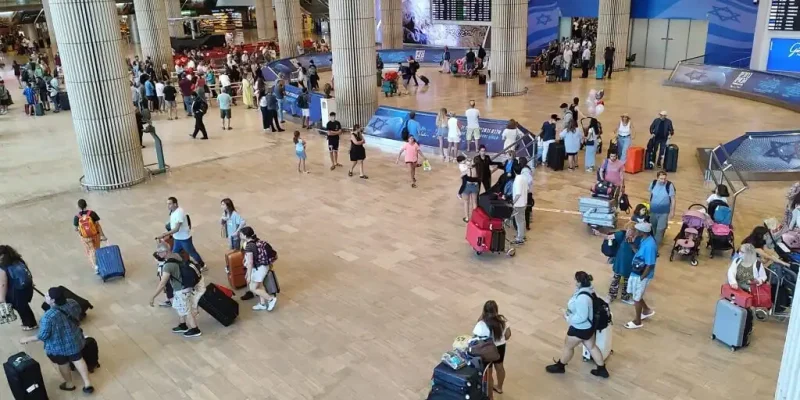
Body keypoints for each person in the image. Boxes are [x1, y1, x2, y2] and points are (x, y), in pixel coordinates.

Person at [19, 287, 95, 393]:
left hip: (57, 347)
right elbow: (78, 314)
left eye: (47, 295)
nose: (45, 295)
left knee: (63, 364)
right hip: (75, 339)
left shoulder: (48, 317)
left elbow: (42, 336)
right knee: (78, 359)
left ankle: (69, 384)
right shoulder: (72, 302)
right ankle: (87, 383)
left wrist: (27, 339)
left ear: (53, 300)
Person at [545, 271, 609, 378]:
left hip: (580, 328)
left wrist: (568, 317)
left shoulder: (582, 298)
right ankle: (602, 370)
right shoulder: (590, 290)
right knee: (592, 346)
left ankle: (560, 366)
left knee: (568, 346)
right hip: (589, 326)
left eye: (575, 280)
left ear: (579, 282)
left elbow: (581, 316)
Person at [149, 242, 202, 337]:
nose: (158, 255)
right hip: (185, 286)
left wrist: (153, 297)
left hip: (181, 289)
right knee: (180, 306)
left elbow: (162, 284)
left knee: (186, 310)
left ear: (164, 252)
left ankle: (195, 329)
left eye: (159, 253)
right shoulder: (176, 255)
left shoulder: (167, 265)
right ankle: (182, 325)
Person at [155, 197, 206, 271]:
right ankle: (177, 267)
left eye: (170, 204)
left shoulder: (179, 212)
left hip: (184, 239)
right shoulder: (173, 211)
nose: (168, 206)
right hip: (177, 238)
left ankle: (203, 265)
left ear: (175, 204)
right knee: (175, 253)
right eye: (167, 204)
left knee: (192, 253)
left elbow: (177, 229)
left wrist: (164, 234)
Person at [473, 300, 511, 396]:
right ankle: (499, 387)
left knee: (489, 373)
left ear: (484, 311)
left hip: (487, 349)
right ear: (496, 310)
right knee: (500, 367)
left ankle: (490, 395)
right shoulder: (503, 321)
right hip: (500, 347)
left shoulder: (481, 324)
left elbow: (476, 336)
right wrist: (501, 340)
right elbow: (508, 335)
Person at [624, 222, 657, 329]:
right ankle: (646, 310)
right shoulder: (645, 240)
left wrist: (641, 277)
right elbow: (639, 253)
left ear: (642, 232)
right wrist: (632, 245)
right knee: (636, 294)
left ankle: (638, 321)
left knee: (636, 298)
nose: (635, 231)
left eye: (637, 230)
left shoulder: (650, 245)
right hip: (637, 271)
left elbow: (650, 264)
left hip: (641, 274)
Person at [240, 227, 278, 311]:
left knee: (253, 288)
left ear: (245, 236)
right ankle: (262, 304)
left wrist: (249, 276)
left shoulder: (249, 246)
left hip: (259, 269)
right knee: (259, 286)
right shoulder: (257, 240)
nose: (240, 235)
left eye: (241, 234)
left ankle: (271, 299)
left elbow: (250, 262)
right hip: (264, 266)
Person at [0, 245, 37, 330]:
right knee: (24, 306)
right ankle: (28, 321)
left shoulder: (2, 268)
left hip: (16, 292)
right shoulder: (19, 260)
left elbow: (3, 284)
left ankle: (30, 324)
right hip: (26, 288)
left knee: (21, 308)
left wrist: (2, 298)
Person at [606, 222, 640, 304]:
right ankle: (611, 295)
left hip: (630, 265)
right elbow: (609, 237)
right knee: (615, 280)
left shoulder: (638, 239)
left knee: (627, 282)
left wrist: (632, 244)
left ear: (635, 231)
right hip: (619, 263)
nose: (629, 232)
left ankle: (625, 297)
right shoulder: (622, 235)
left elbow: (638, 253)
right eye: (628, 229)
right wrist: (599, 234)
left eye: (631, 230)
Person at [73, 199, 107, 274]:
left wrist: (81, 229)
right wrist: (103, 236)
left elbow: (75, 229)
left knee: (91, 251)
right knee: (97, 249)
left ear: (78, 207)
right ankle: (100, 264)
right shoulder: (92, 213)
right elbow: (98, 225)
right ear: (86, 205)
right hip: (96, 235)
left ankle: (96, 267)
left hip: (85, 238)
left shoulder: (77, 217)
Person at [648, 170, 676, 248]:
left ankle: (655, 246)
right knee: (653, 226)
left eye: (664, 179)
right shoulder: (653, 184)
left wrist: (672, 211)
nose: (663, 180)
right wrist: (648, 207)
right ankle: (654, 240)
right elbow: (650, 196)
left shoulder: (669, 185)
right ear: (657, 178)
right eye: (661, 179)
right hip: (653, 211)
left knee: (660, 229)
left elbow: (673, 199)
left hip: (664, 212)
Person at [457, 155, 480, 222]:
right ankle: (475, 218)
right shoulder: (475, 168)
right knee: (474, 202)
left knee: (466, 202)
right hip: (475, 186)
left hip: (466, 186)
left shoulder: (465, 168)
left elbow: (464, 175)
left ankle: (467, 218)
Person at [511, 164, 529, 245]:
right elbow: (527, 189)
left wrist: (513, 202)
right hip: (524, 202)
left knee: (519, 221)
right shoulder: (524, 178)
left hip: (518, 204)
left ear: (514, 171)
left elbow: (518, 194)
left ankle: (520, 238)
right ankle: (522, 235)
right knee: (522, 220)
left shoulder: (517, 180)